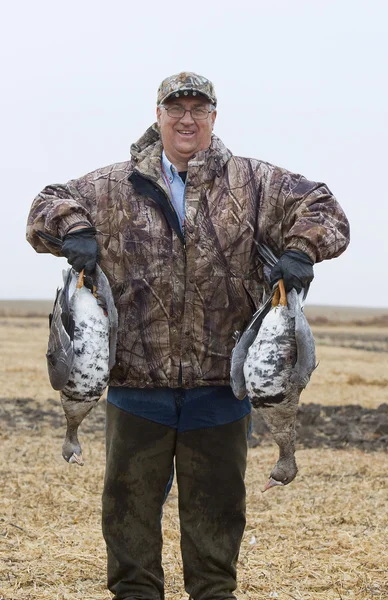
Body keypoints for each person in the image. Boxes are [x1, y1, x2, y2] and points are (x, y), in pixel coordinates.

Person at [26, 71, 350, 600]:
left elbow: (325, 208)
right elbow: (45, 205)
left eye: (199, 109)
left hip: (220, 391)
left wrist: (301, 248)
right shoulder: (112, 186)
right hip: (136, 387)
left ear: (214, 117)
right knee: (128, 521)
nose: (187, 119)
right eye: (176, 108)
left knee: (217, 528)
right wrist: (75, 229)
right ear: (157, 114)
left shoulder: (254, 183)